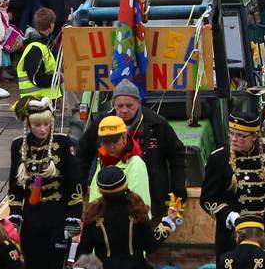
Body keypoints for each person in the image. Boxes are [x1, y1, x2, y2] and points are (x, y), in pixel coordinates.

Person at [79, 166, 179, 269]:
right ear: (125, 185)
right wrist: (167, 224)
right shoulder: (137, 212)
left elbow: (84, 251)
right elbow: (151, 246)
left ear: (101, 190)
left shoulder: (93, 216)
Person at [76, 80, 186, 221]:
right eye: (119, 106)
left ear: (139, 103)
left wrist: (178, 192)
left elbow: (177, 155)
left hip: (150, 193)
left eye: (129, 106)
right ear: (113, 104)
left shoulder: (157, 124)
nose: (124, 110)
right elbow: (82, 154)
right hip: (107, 196)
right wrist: (80, 187)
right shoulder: (102, 123)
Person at [8, 97, 81, 269]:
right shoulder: (18, 146)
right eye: (37, 125)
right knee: (32, 266)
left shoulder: (64, 143)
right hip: (31, 217)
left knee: (56, 265)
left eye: (46, 124)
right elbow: (15, 185)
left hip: (57, 215)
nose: (42, 129)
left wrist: (74, 217)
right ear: (28, 125)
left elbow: (75, 182)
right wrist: (15, 215)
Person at [201, 110, 265, 258]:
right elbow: (207, 198)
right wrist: (229, 215)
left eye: (240, 136)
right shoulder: (218, 158)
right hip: (232, 237)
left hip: (263, 234)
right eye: (231, 133)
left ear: (254, 137)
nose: (234, 139)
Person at [86, 115, 151, 207]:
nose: (111, 146)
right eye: (107, 142)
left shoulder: (135, 164)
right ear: (100, 142)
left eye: (115, 141)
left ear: (124, 137)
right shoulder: (101, 160)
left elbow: (140, 206)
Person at [15, 7, 60, 101]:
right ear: (51, 25)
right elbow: (37, 79)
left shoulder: (43, 45)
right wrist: (58, 77)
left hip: (42, 101)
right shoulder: (36, 48)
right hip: (36, 103)